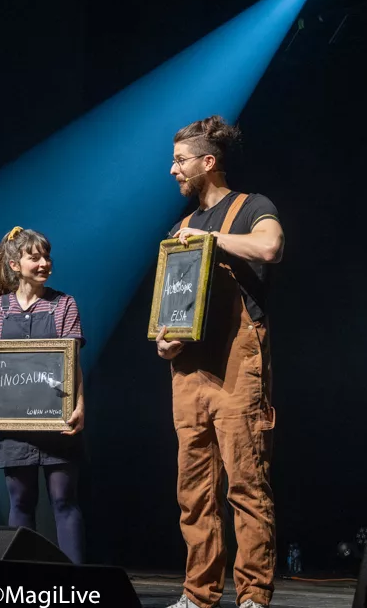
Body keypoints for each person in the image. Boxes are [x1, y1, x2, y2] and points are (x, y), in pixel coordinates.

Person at [156, 116, 283, 608]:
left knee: (246, 481)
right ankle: (198, 594)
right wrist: (165, 342)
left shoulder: (252, 207)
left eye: (180, 161)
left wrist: (213, 240)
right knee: (194, 489)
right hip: (188, 369)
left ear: (208, 162)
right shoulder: (180, 228)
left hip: (237, 360)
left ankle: (252, 596)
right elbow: (173, 303)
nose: (173, 170)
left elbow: (270, 246)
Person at [0, 227, 86, 564]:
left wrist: (80, 405)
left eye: (47, 256)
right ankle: (20, 580)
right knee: (20, 501)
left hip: (57, 423)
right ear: (15, 265)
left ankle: (76, 583)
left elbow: (73, 361)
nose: (44, 263)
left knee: (64, 499)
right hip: (14, 426)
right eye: (35, 257)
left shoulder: (63, 304)